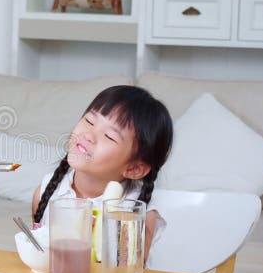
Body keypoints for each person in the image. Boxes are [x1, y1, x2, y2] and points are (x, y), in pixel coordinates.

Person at [31, 85, 173, 260]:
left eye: (110, 137)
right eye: (90, 121)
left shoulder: (137, 213)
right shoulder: (45, 193)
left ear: (134, 168)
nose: (89, 135)